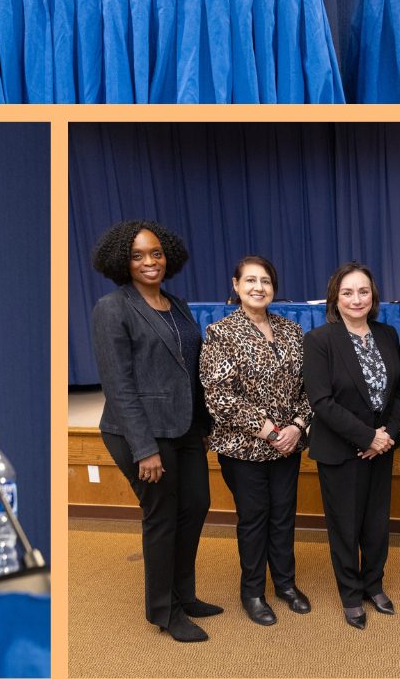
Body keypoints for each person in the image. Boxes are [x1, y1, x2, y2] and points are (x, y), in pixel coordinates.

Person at [89, 220, 218, 643]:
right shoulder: (113, 308)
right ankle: (165, 611)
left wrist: (202, 425)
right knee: (162, 517)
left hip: (185, 428)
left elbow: (189, 369)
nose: (150, 261)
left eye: (156, 253)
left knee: (195, 506)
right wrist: (144, 448)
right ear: (122, 262)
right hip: (140, 431)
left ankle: (185, 594)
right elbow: (119, 385)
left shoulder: (176, 304)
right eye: (138, 255)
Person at [200, 256, 311, 626]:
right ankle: (252, 592)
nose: (258, 287)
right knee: (254, 519)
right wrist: (271, 432)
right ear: (236, 285)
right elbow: (219, 397)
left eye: (265, 281)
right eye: (250, 280)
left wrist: (297, 426)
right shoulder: (221, 333)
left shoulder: (291, 331)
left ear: (273, 287)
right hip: (243, 448)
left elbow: (309, 388)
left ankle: (285, 584)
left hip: (288, 445)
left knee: (283, 517)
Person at [303, 261, 400, 631]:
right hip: (341, 450)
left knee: (376, 524)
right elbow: (321, 402)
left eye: (363, 291)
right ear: (335, 298)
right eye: (347, 292)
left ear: (373, 296)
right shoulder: (319, 341)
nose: (356, 299)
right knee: (345, 526)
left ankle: (373, 585)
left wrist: (386, 435)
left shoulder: (387, 334)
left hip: (382, 448)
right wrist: (367, 436)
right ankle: (350, 593)